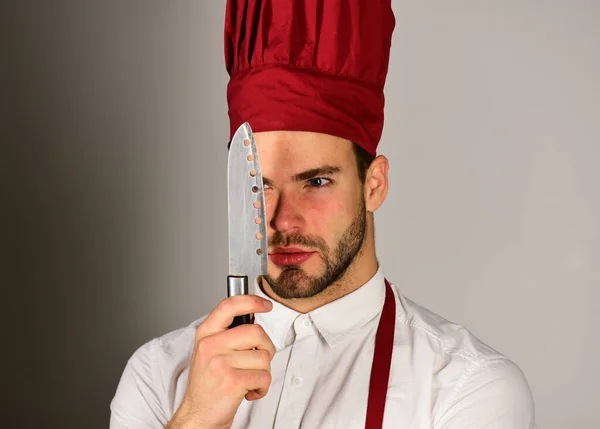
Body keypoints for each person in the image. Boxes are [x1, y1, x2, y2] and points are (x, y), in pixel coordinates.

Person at [110, 1, 536, 428]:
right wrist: (196, 419)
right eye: (261, 187)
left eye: (315, 182)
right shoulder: (160, 374)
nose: (282, 221)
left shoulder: (467, 386)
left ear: (374, 184)